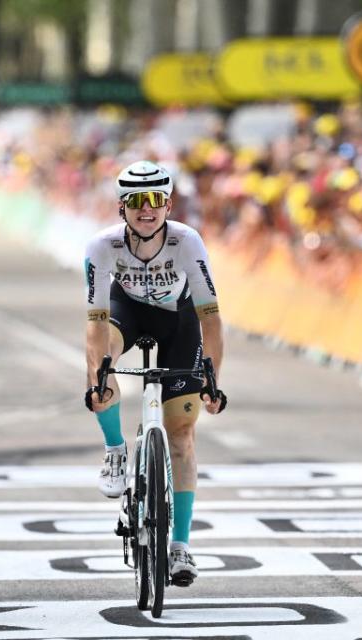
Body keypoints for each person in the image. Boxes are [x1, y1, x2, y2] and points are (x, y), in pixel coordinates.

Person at [83, 161, 227, 586]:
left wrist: (213, 379)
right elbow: (94, 322)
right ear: (121, 207)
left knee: (181, 433)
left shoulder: (187, 241)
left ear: (168, 204)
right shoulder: (101, 246)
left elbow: (211, 318)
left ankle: (180, 546)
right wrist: (98, 375)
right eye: (136, 201)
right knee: (100, 362)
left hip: (177, 320)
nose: (146, 209)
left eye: (155, 200)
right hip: (125, 312)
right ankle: (114, 449)